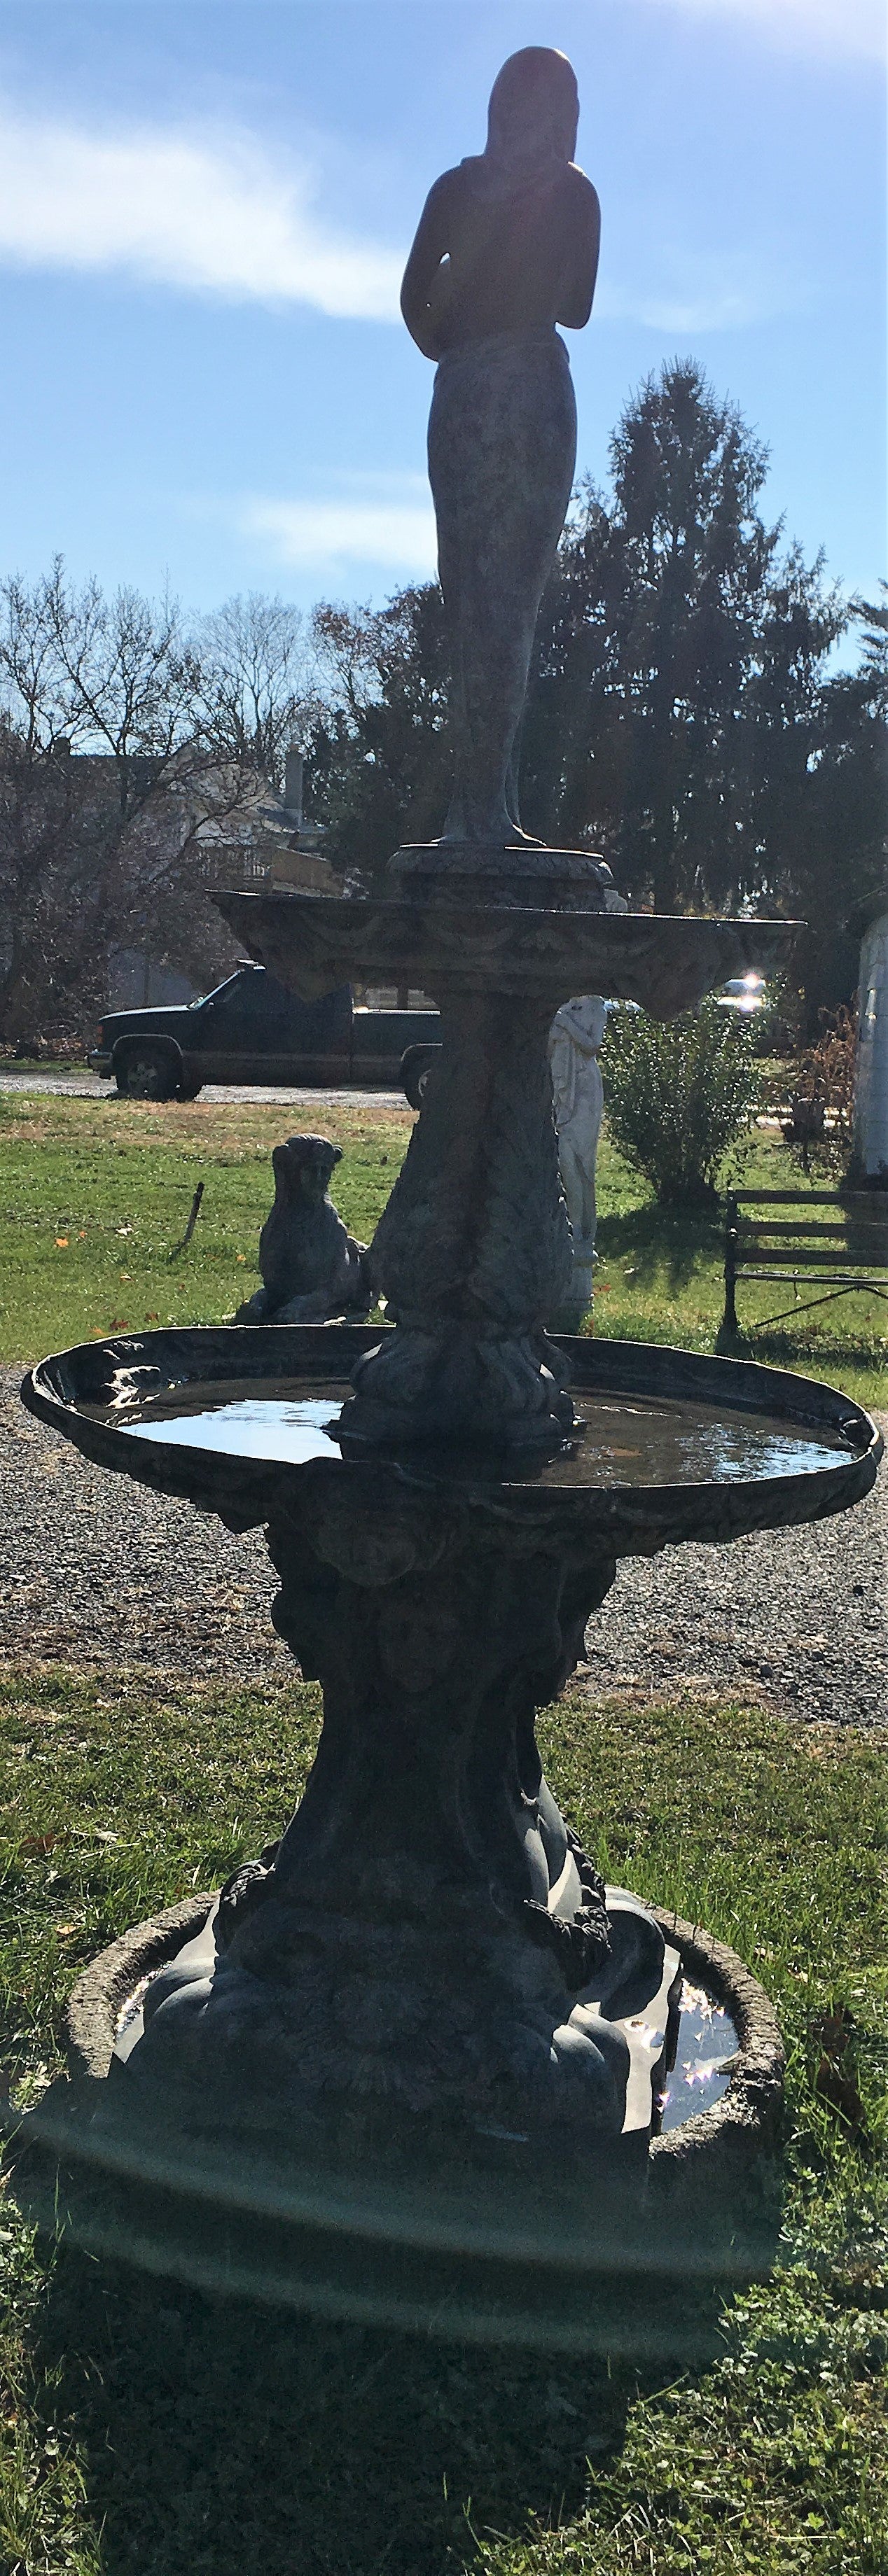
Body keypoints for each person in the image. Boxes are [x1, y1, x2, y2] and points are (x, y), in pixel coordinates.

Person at [400, 48, 600, 846]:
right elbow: (576, 308)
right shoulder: (573, 192)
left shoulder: (455, 189)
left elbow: (416, 307)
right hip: (531, 392)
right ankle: (485, 814)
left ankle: (479, 810)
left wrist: (459, 322)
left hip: (461, 395)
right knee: (509, 606)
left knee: (470, 603)